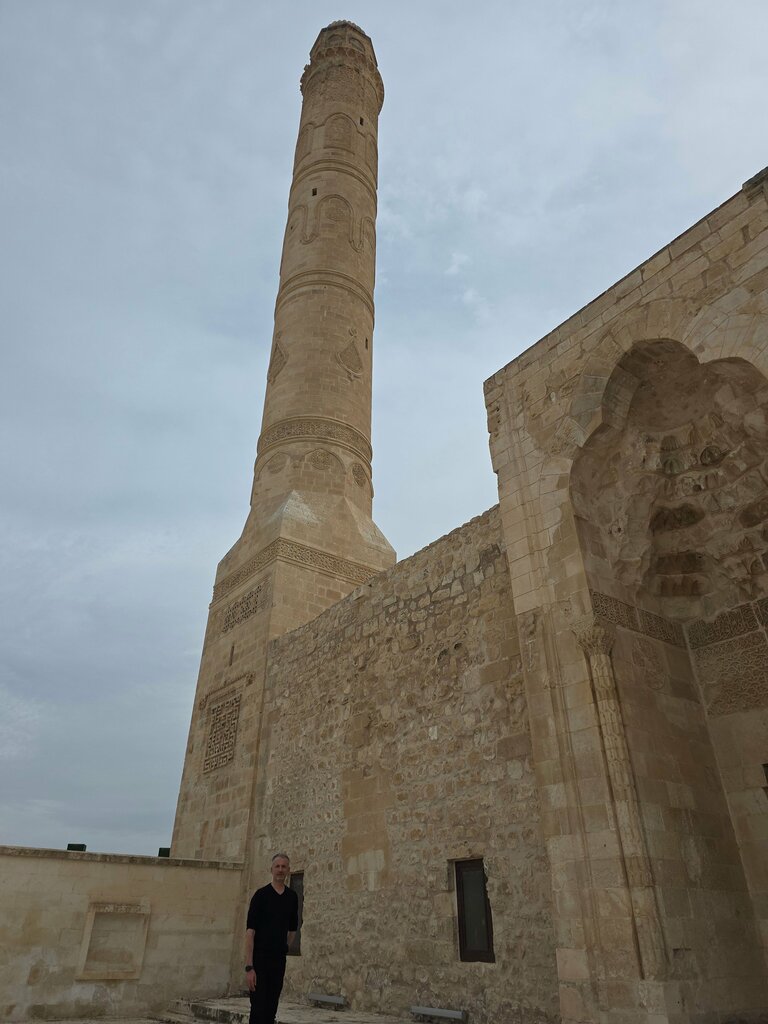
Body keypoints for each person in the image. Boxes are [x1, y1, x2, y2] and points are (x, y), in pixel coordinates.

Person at [245, 852, 299, 1024]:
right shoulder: (260, 896)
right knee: (258, 1010)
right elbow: (250, 932)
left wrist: (284, 948)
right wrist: (249, 967)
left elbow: (293, 929)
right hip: (259, 961)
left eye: (284, 867)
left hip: (278, 962)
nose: (280, 870)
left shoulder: (292, 897)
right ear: (271, 869)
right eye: (277, 866)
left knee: (271, 1009)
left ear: (288, 870)